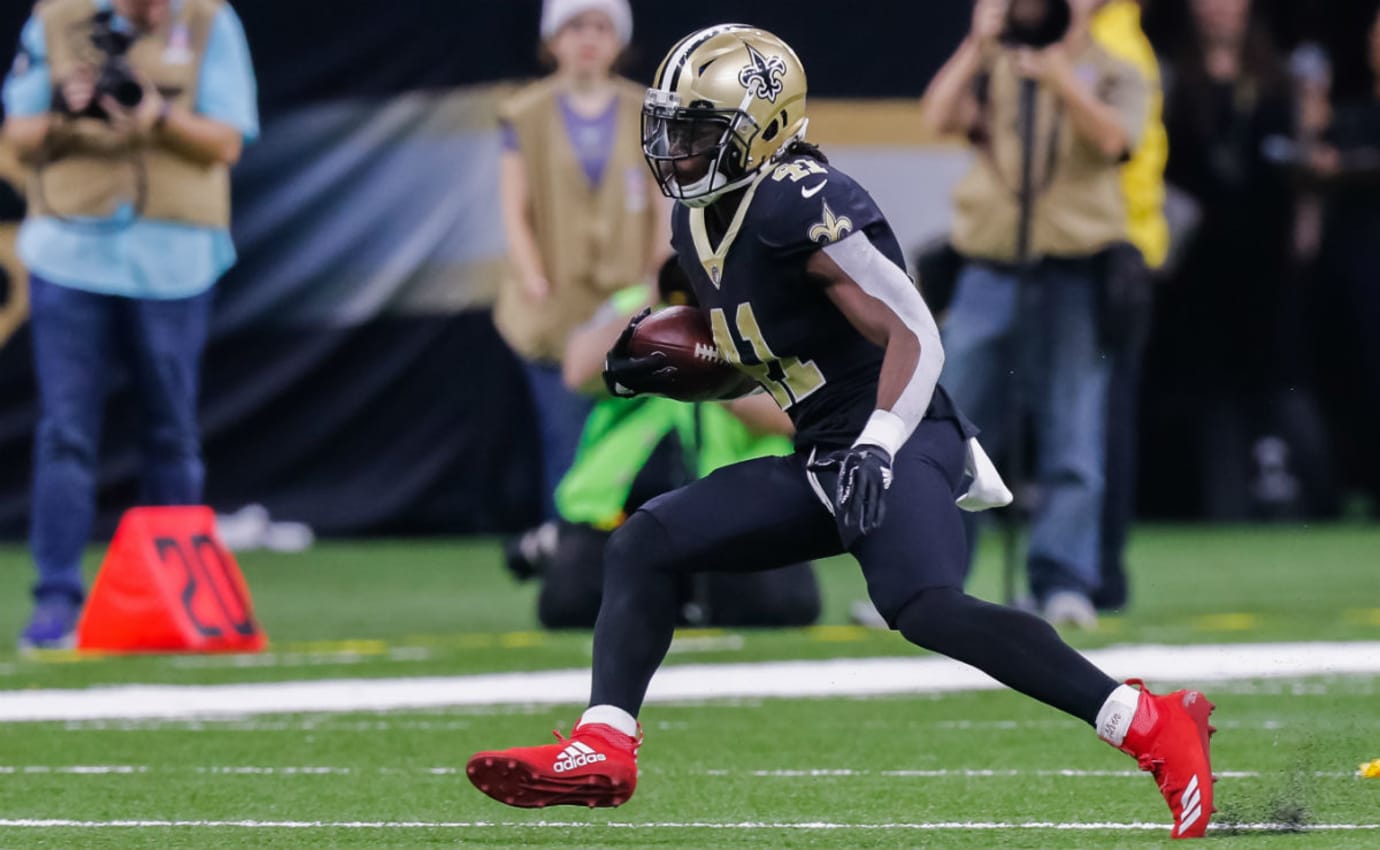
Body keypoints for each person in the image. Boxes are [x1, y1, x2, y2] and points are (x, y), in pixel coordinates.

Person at [465, 24, 1216, 839]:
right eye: (669, 129)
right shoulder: (697, 221)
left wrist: (880, 442)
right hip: (825, 449)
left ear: (759, 129)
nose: (674, 151)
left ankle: (1147, 721)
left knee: (924, 606)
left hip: (902, 436)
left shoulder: (798, 202)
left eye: (696, 132)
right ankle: (603, 744)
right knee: (643, 542)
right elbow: (762, 354)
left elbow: (916, 333)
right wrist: (680, 368)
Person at [2, 0, 258, 649]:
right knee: (65, 432)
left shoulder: (209, 20)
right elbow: (18, 132)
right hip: (72, 247)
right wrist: (66, 106)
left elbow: (229, 138)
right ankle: (56, 601)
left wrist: (158, 116)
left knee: (171, 431)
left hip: (173, 255)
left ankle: (182, 602)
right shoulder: (57, 19)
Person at [920, 0, 1152, 628]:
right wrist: (976, 43)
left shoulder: (1116, 69)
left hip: (1075, 270)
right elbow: (937, 115)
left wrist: (1056, 77)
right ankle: (931, 576)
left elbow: (1114, 139)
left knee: (1074, 432)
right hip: (988, 268)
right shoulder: (996, 63)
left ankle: (1064, 579)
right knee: (951, 424)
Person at [521, 264, 820, 630]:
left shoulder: (759, 311)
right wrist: (653, 310)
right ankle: (567, 547)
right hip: (614, 508)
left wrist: (716, 381)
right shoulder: (631, 303)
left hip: (735, 509)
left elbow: (795, 416)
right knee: (569, 604)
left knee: (781, 605)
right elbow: (577, 372)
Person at [495, 0, 671, 521]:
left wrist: (658, 275)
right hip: (552, 307)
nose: (588, 38)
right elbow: (514, 207)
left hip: (629, 305)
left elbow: (665, 204)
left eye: (601, 26)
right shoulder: (523, 113)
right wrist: (533, 277)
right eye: (575, 26)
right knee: (565, 438)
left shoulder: (647, 111)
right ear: (553, 40)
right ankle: (569, 556)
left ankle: (634, 555)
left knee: (632, 439)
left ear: (620, 40)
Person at [1088, 0, 1169, 611]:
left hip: (1108, 249)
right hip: (1107, 245)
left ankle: (1098, 573)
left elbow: (1121, 151)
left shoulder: (1110, 41)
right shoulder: (1110, 34)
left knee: (1095, 422)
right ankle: (1097, 573)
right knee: (1093, 421)